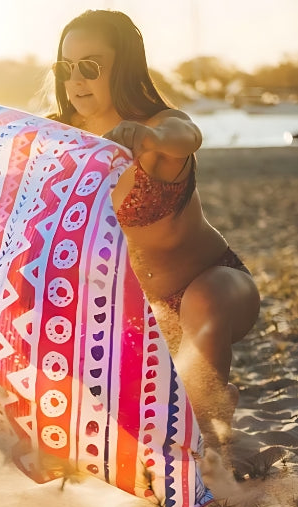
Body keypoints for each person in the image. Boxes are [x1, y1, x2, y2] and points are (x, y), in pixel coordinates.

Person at [48, 9, 260, 460]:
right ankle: (199, 400)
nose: (76, 80)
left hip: (216, 287)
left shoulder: (161, 126)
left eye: (90, 66)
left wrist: (146, 136)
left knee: (204, 301)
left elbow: (188, 135)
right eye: (66, 68)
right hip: (138, 319)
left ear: (122, 67)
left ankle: (210, 436)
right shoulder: (59, 135)